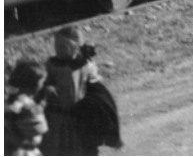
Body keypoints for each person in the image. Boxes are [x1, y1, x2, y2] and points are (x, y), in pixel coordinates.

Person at [39, 26, 121, 156]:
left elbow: (96, 87)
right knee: (60, 147)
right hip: (57, 116)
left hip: (79, 114)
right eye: (56, 45)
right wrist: (47, 88)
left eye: (62, 46)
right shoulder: (52, 65)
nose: (57, 49)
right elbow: (43, 82)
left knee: (83, 146)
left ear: (75, 48)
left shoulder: (84, 66)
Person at [5, 59, 49, 157]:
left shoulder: (28, 99)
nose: (43, 85)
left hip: (31, 148)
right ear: (32, 83)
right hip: (23, 150)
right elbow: (12, 109)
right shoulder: (21, 100)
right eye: (42, 82)